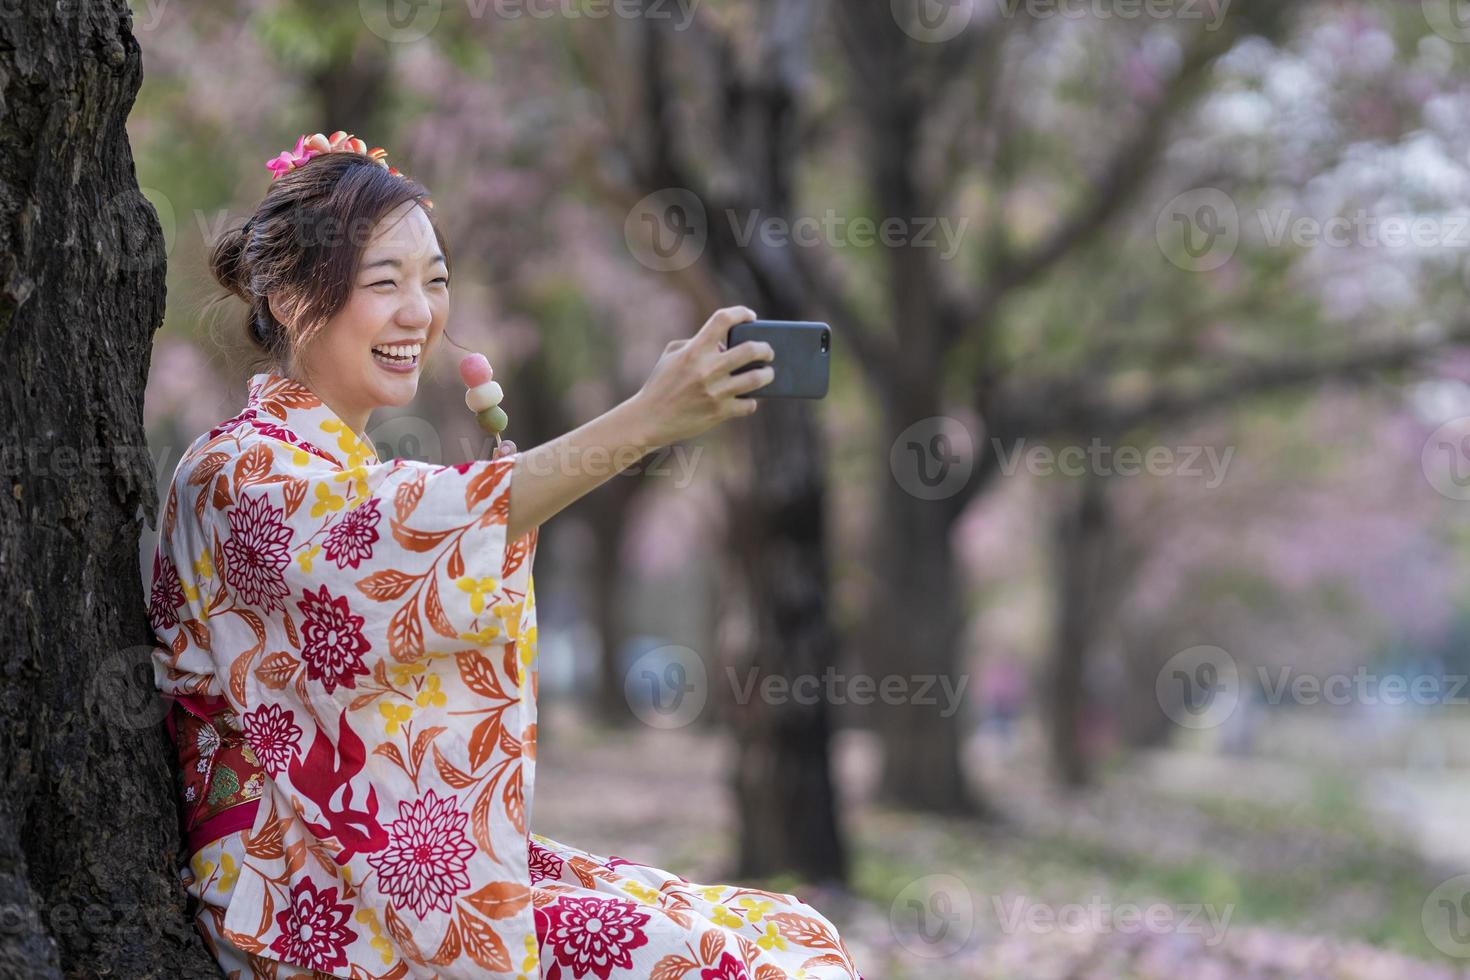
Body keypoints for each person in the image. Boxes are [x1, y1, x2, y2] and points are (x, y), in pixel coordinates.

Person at [148, 131, 863, 980]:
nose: (421, 313)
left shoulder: (336, 468)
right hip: (302, 898)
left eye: (435, 280)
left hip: (369, 872)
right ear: (294, 297)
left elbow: (419, 530)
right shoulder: (237, 473)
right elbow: (409, 530)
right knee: (707, 961)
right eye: (386, 283)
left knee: (788, 931)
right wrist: (646, 419)